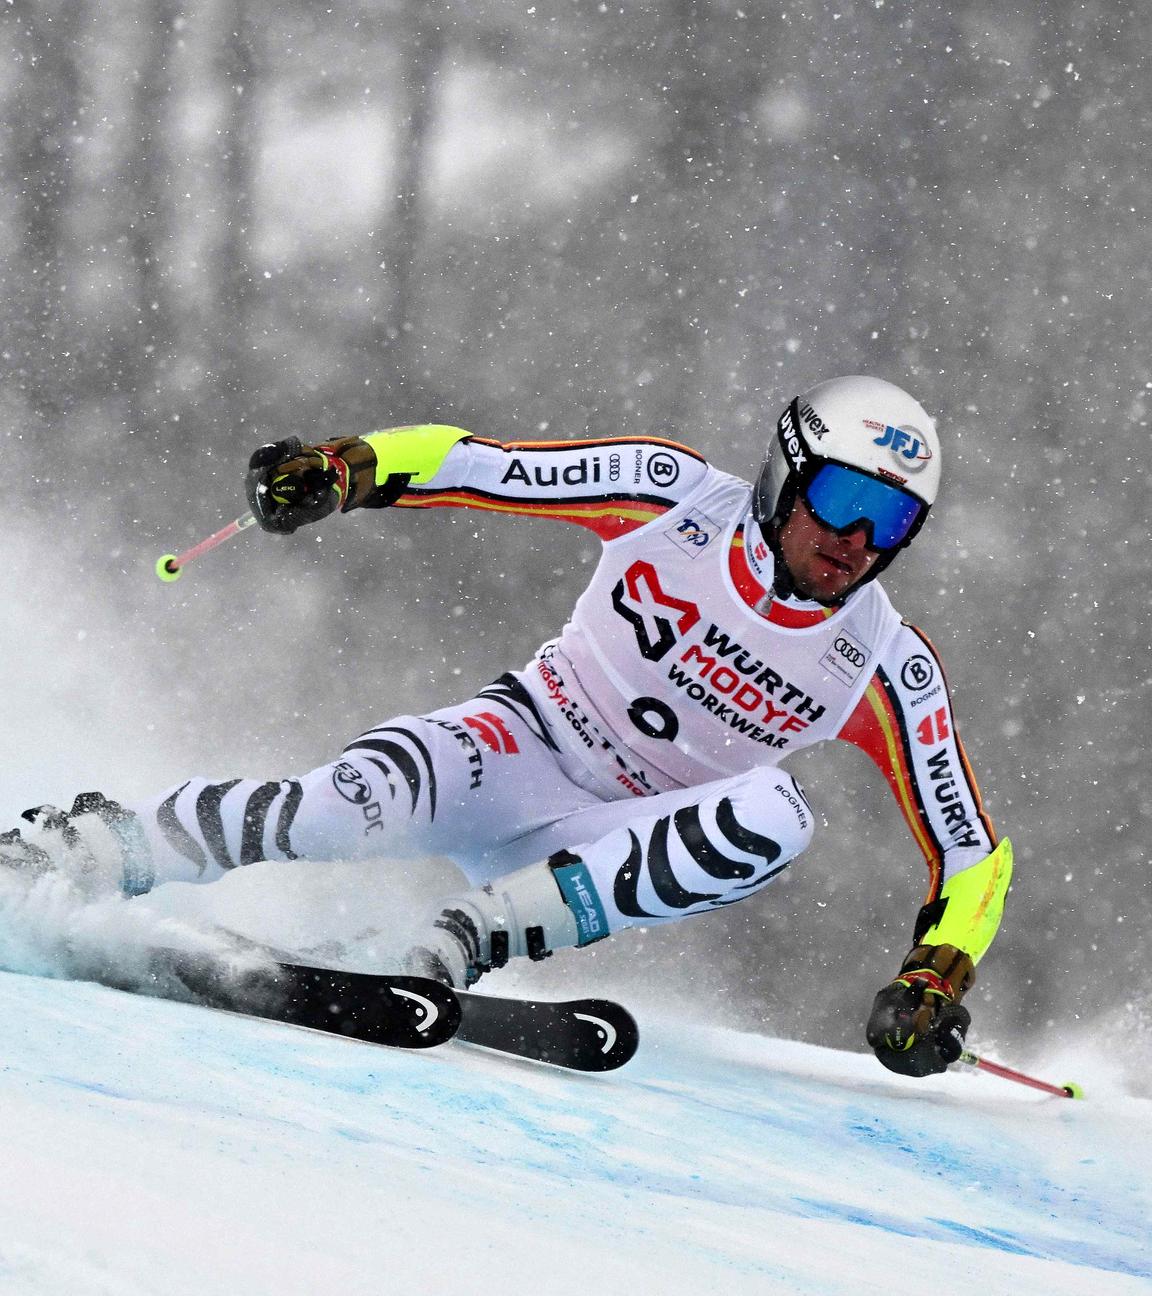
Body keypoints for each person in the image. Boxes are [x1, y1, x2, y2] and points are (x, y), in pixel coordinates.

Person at [0, 376, 1011, 1077]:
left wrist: (935, 975)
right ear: (789, 475)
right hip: (520, 747)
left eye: (892, 526)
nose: (853, 543)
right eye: (839, 501)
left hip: (605, 847)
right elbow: (470, 463)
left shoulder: (885, 663)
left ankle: (451, 941)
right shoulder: (670, 496)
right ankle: (84, 845)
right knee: (341, 810)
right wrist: (344, 469)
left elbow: (974, 859)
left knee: (778, 819)